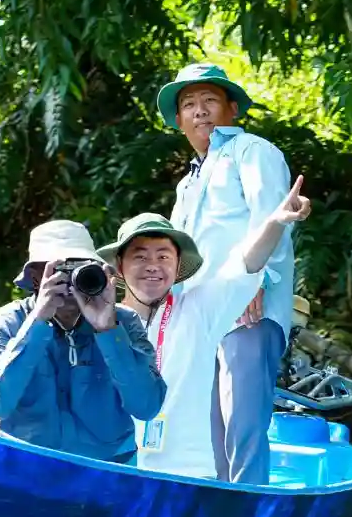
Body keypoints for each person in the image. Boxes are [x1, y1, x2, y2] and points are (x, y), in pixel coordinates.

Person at [100, 177, 312, 479]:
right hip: (118, 472)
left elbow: (244, 265)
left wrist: (276, 221)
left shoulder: (199, 309)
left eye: (163, 256)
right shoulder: (101, 322)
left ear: (176, 266)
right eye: (140, 256)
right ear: (119, 267)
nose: (152, 265)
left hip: (191, 477)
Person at [157, 62, 295, 485]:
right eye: (189, 104)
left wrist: (257, 281)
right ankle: (217, 514)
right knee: (206, 426)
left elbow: (274, 215)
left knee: (242, 425)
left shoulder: (252, 151)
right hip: (199, 315)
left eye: (209, 101)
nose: (200, 111)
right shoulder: (187, 183)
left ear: (231, 109)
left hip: (246, 307)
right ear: (179, 121)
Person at [0, 219, 167, 463]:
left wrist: (107, 330)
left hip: (106, 469)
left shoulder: (125, 322)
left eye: (78, 270)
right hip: (23, 465)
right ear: (35, 277)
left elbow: (147, 406)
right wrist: (38, 322)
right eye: (58, 271)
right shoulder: (4, 322)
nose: (70, 281)